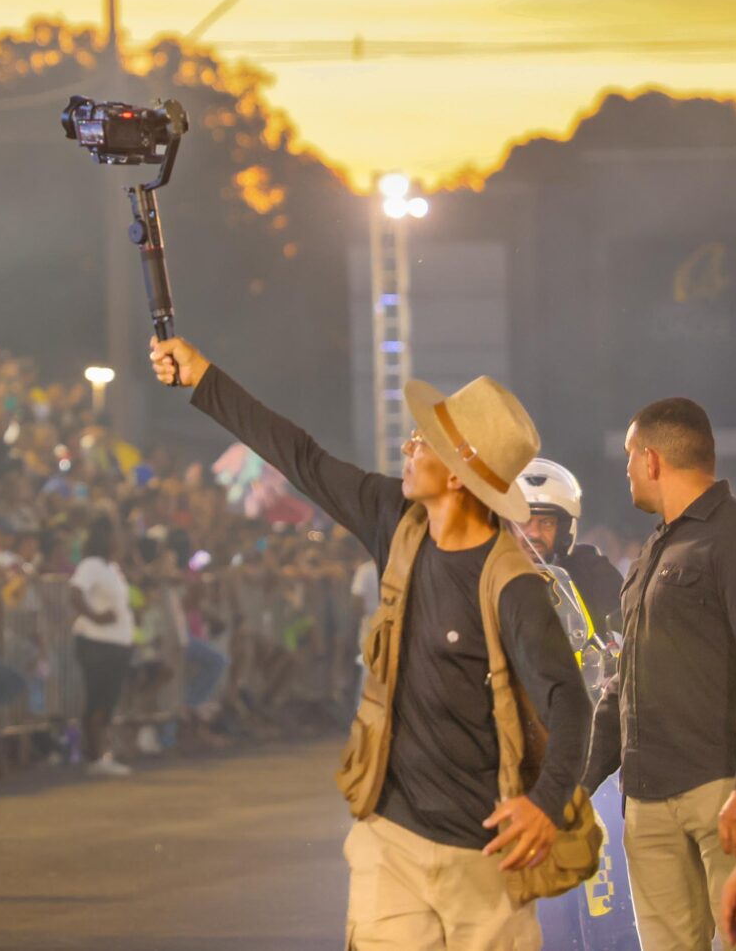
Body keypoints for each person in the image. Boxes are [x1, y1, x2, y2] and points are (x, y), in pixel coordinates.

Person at [153, 337, 595, 948]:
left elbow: (569, 703)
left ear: (459, 473)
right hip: (391, 842)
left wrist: (545, 804)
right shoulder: (394, 519)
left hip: (486, 857)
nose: (409, 448)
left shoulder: (513, 586)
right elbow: (301, 457)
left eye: (423, 443)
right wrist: (202, 377)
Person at [585, 397, 736, 951]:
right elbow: (627, 680)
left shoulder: (730, 537)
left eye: (630, 456)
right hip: (648, 800)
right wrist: (579, 785)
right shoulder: (654, 549)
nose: (626, 469)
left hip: (720, 793)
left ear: (651, 459)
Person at [515, 459, 624, 638]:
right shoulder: (485, 574)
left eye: (547, 523)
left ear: (563, 530)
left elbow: (628, 630)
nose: (534, 533)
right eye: (523, 522)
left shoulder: (591, 571)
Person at [69, 514, 137, 777]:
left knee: (107, 700)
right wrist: (95, 616)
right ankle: (96, 756)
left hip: (115, 643)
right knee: (98, 699)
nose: (120, 539)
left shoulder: (112, 567)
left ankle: (100, 753)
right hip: (97, 642)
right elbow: (75, 593)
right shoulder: (92, 565)